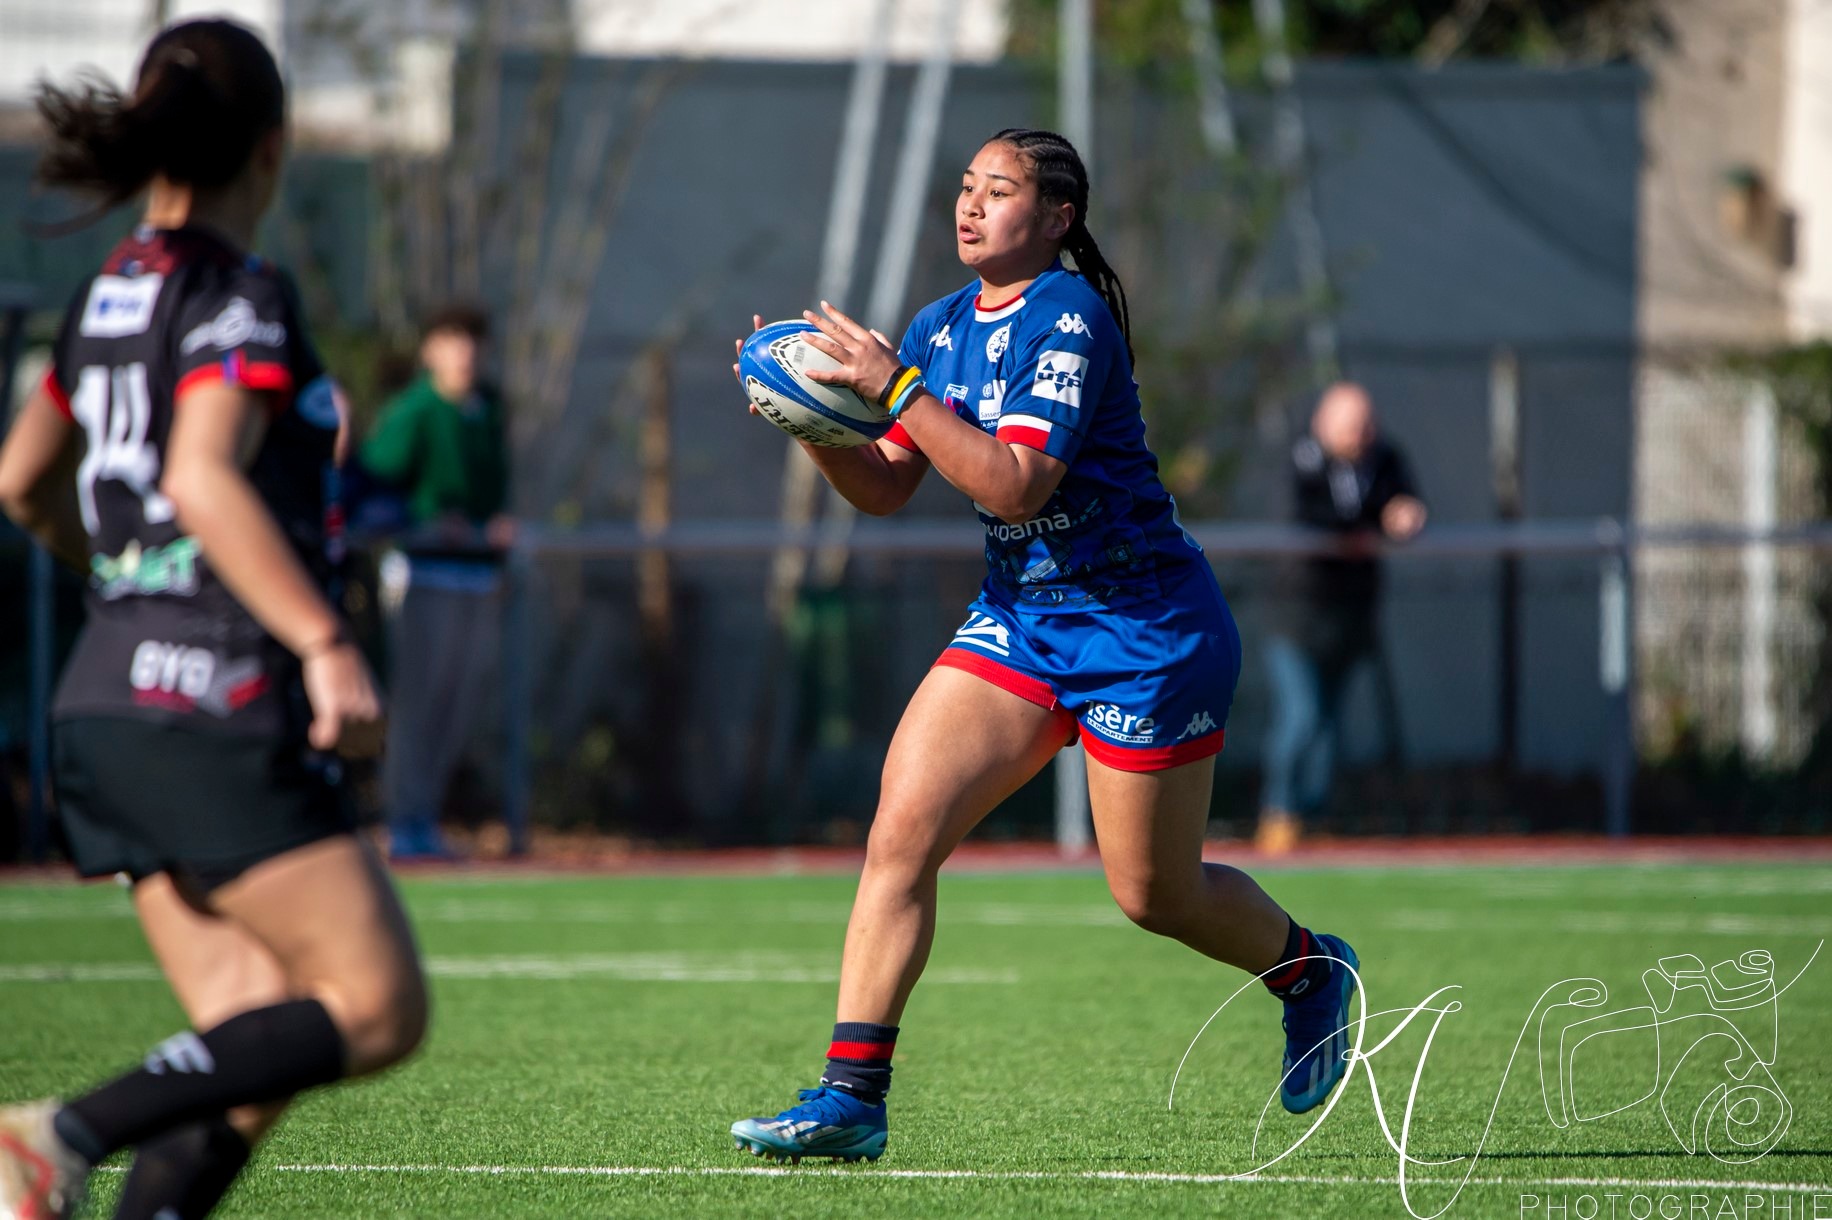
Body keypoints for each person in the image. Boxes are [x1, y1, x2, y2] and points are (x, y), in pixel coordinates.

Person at [727, 128, 1359, 1165]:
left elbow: (1015, 483)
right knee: (901, 827)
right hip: (1021, 622)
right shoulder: (937, 326)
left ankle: (1307, 971)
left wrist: (890, 388)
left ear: (1057, 219)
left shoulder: (1066, 317)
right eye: (965, 187)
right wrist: (809, 415)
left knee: (1153, 894)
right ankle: (851, 1095)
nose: (970, 205)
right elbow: (885, 486)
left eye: (999, 190)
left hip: (1144, 632)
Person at [0, 20, 427, 1218]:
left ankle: (80, 1156)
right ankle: (59, 1132)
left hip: (102, 698)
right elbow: (202, 473)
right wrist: (323, 639)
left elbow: (22, 481)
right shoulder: (238, 289)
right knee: (378, 1005)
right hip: (215, 693)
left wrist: (125, 578)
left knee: (248, 1049)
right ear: (273, 150)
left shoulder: (102, 292)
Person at [357, 304, 512, 860]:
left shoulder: (488, 408)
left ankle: (427, 817)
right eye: (451, 339)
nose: (465, 352)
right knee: (417, 704)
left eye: (473, 340)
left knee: (457, 705)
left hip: (475, 576)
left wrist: (494, 525)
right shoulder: (415, 410)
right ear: (430, 349)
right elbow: (373, 483)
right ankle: (402, 820)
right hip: (424, 572)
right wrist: (425, 521)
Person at [1257, 383, 1427, 855]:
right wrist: (1369, 528)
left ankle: (1314, 817)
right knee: (1302, 716)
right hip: (1298, 617)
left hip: (1351, 616)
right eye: (1352, 426)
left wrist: (1405, 512)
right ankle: (1279, 812)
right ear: (1324, 425)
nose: (1362, 434)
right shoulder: (1301, 461)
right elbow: (1308, 519)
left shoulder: (1383, 457)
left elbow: (1404, 500)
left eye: (1367, 424)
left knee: (1330, 723)